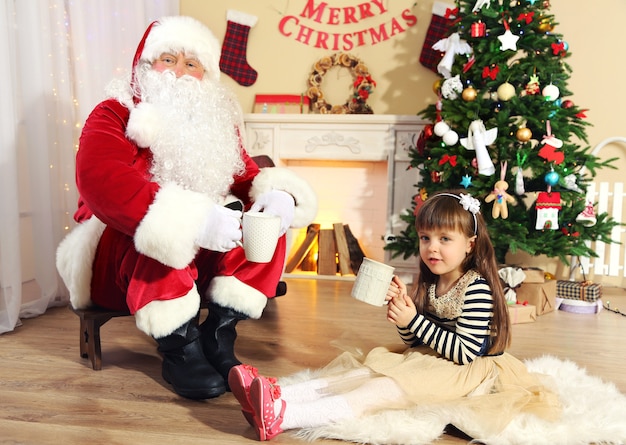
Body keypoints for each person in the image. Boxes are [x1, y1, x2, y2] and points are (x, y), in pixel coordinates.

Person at [55, 16, 317, 400]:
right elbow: (100, 181)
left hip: (200, 258)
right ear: (146, 65)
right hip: (117, 263)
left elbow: (245, 175)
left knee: (265, 224)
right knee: (161, 232)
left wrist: (278, 194)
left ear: (204, 75)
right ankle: (180, 347)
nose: (179, 71)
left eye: (191, 63)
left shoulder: (215, 124)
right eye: (168, 59)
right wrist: (191, 219)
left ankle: (218, 335)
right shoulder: (114, 113)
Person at [228, 190, 560, 441]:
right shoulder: (432, 281)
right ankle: (276, 393)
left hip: (471, 370)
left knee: (383, 389)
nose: (433, 247)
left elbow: (465, 352)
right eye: (426, 238)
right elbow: (416, 342)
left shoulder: (477, 289)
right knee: (363, 373)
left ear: (470, 245)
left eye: (445, 239)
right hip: (433, 358)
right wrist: (406, 317)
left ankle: (284, 416)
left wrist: (413, 320)